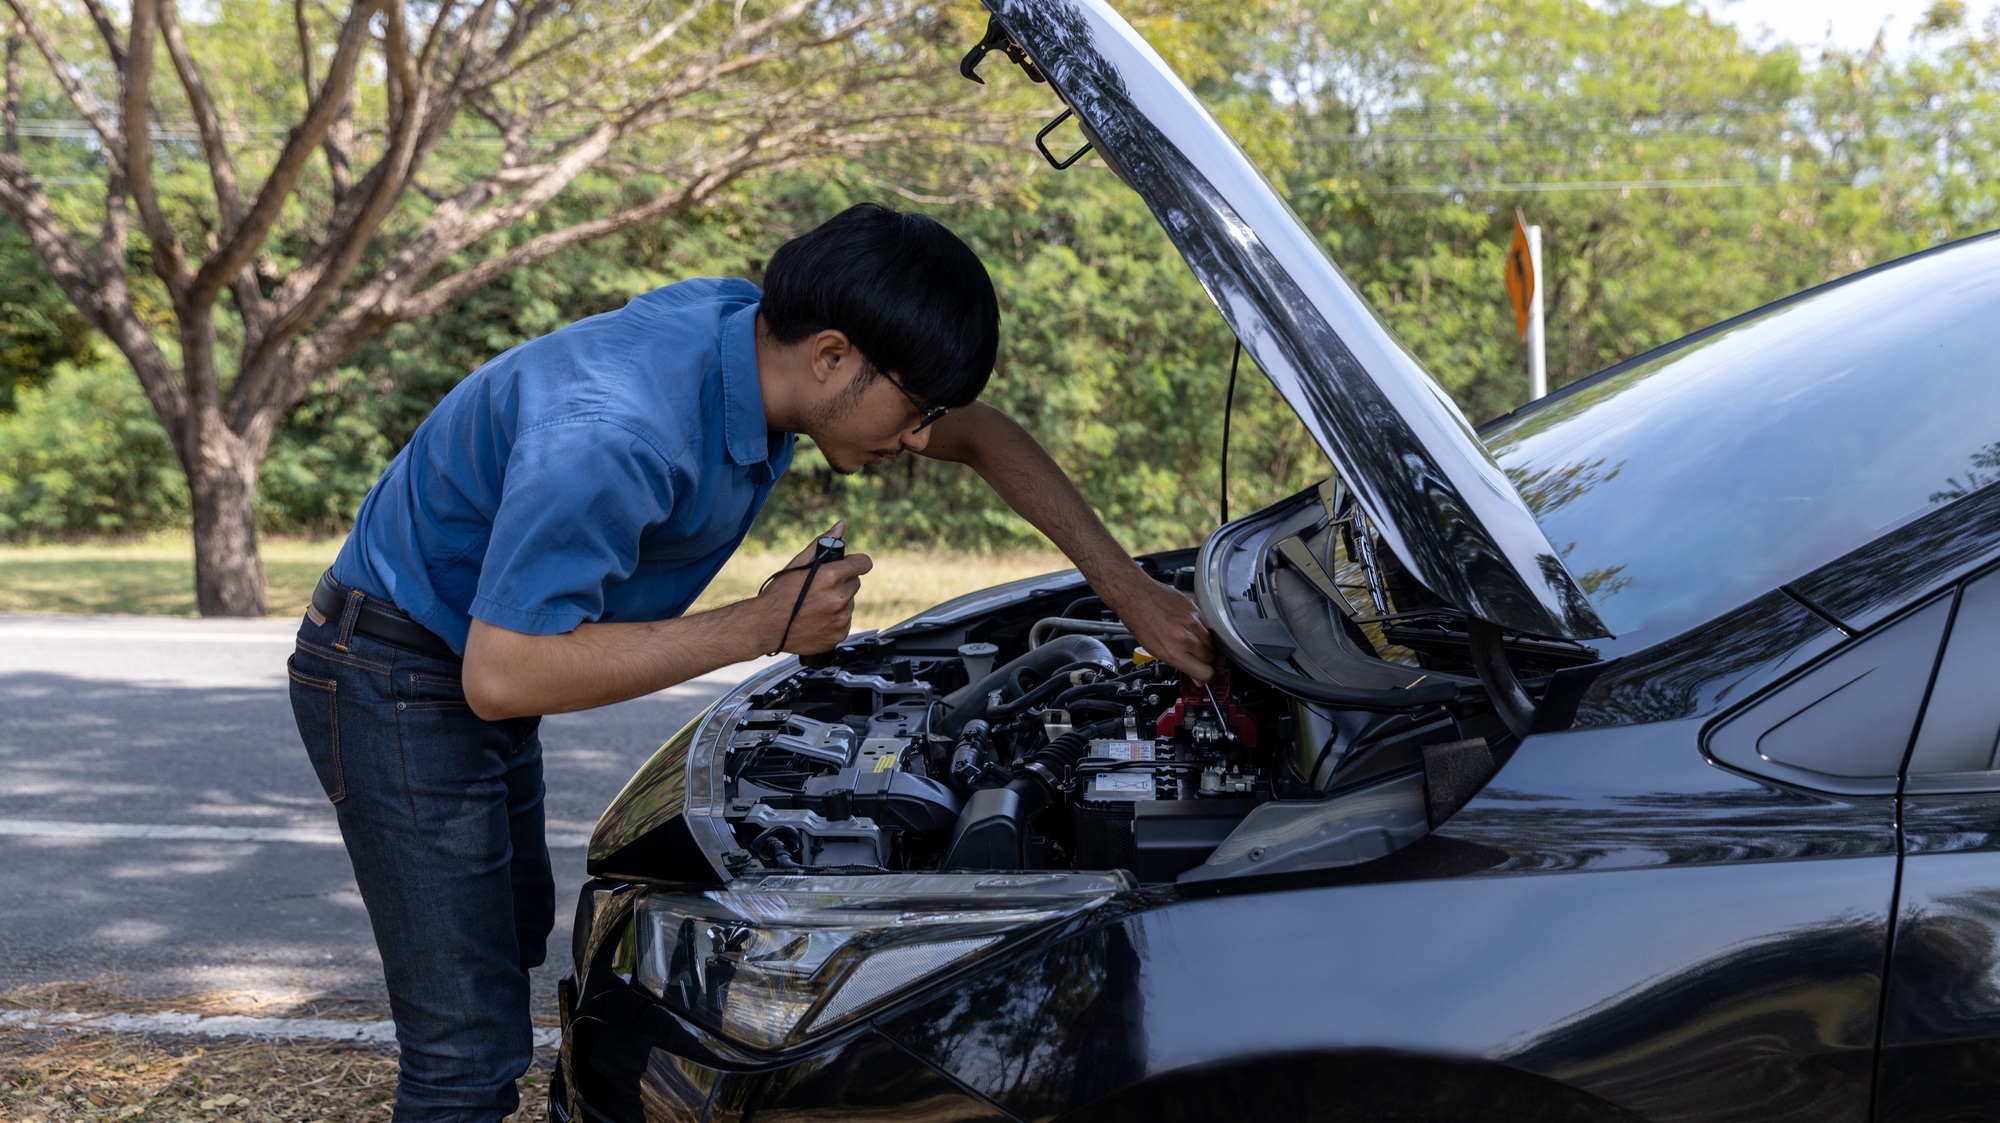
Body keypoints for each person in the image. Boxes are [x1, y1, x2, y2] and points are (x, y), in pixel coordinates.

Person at [286, 202, 1213, 1121]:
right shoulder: (619, 435)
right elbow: (505, 673)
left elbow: (979, 431)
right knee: (464, 1051)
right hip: (395, 674)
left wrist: (1127, 590)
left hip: (455, 658)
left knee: (508, 946)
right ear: (832, 355)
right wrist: (764, 624)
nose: (920, 435)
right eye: (916, 407)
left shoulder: (751, 334)